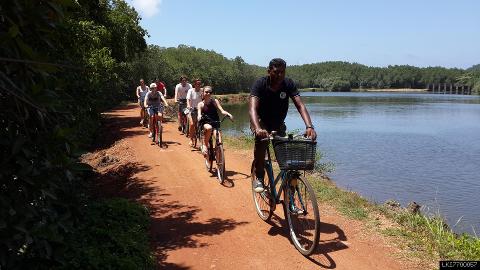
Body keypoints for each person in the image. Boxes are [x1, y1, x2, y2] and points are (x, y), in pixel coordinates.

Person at [249, 58, 317, 193]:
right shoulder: (260, 84)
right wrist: (257, 128)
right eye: (276, 72)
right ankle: (260, 177)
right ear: (269, 71)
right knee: (262, 143)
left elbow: (300, 105)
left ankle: (290, 192)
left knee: (285, 154)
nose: (279, 75)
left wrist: (309, 126)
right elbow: (252, 109)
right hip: (260, 122)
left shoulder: (288, 84)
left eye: (282, 72)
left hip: (278, 123)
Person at [197, 86, 233, 156]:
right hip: (205, 123)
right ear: (203, 93)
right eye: (206, 92)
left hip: (215, 122)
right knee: (209, 128)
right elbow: (198, 113)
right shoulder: (200, 104)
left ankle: (219, 157)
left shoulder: (215, 101)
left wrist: (228, 114)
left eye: (210, 92)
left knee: (219, 142)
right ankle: (204, 145)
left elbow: (222, 111)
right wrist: (199, 116)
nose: (208, 93)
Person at [186, 79, 203, 147]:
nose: (198, 85)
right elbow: (188, 99)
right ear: (194, 84)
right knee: (192, 124)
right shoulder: (191, 90)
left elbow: (204, 99)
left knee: (201, 125)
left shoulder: (202, 91)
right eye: (197, 84)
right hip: (191, 110)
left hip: (200, 110)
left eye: (199, 84)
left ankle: (200, 139)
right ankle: (191, 139)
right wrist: (188, 105)